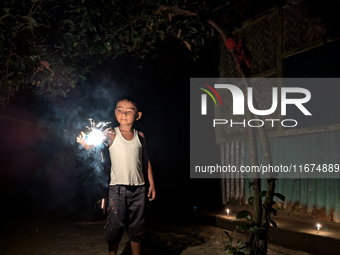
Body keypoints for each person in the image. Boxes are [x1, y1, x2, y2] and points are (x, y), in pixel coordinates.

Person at [77, 98, 156, 255]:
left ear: (138, 115)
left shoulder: (140, 136)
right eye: (120, 110)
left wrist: (151, 184)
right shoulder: (111, 133)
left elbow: (146, 161)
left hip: (139, 189)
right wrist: (86, 145)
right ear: (115, 113)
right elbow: (94, 142)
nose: (124, 114)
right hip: (117, 190)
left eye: (129, 110)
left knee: (137, 227)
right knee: (115, 227)